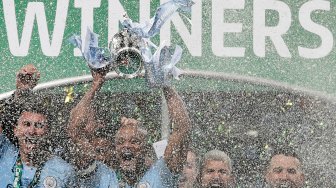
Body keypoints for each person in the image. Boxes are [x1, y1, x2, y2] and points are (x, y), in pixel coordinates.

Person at [68, 68, 192, 187]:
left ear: (146, 148)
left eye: (135, 141)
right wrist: (96, 84)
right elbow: (74, 130)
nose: (126, 146)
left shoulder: (162, 173)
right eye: (120, 142)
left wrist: (165, 84)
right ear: (114, 149)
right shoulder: (100, 175)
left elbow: (182, 128)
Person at [0, 64, 76, 187]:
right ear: (15, 130)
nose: (32, 131)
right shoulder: (3, 153)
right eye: (26, 124)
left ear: (48, 131)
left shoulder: (64, 171)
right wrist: (20, 92)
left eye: (39, 125)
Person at [67, 69, 118, 187]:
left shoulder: (112, 171)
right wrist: (95, 85)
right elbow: (75, 129)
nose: (82, 123)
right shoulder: (79, 151)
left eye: (87, 120)